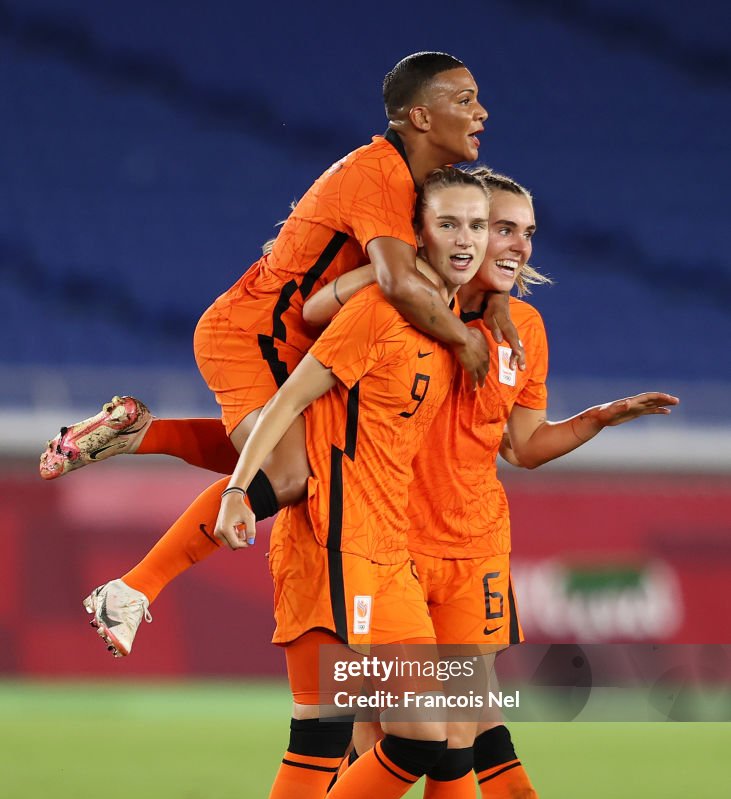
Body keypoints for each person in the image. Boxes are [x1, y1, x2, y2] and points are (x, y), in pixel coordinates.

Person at [298, 166, 678, 799]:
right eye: (497, 227)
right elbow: (311, 313)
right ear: (445, 230)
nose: (509, 244)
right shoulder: (401, 308)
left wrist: (600, 418)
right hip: (385, 545)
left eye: (521, 232)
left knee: (461, 740)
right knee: (380, 736)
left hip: (474, 553)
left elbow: (525, 446)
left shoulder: (522, 333)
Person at [38, 52, 523, 659]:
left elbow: (455, 257)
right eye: (465, 99)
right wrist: (464, 336)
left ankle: (143, 433)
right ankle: (131, 591)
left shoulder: (424, 188)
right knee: (294, 474)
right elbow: (400, 282)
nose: (482, 111)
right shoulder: (381, 173)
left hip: (303, 335)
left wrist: (493, 300)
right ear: (420, 116)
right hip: (261, 333)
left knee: (297, 455)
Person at [213, 166, 492, 799]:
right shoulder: (376, 312)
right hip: (332, 547)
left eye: (477, 225)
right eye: (449, 224)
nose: (466, 240)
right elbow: (291, 398)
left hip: (389, 555)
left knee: (423, 738)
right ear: (418, 234)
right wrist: (239, 490)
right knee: (322, 733)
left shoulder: (445, 330)